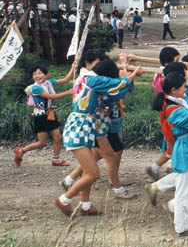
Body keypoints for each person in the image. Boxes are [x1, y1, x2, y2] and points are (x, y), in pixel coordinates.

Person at [55, 61, 141, 217]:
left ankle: (85, 204)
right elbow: (117, 86)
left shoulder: (91, 81)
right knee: (93, 173)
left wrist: (128, 75)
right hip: (80, 130)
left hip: (89, 130)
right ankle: (64, 199)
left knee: (90, 170)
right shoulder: (93, 81)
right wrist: (132, 75)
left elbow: (117, 92)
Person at [144, 71, 188, 237]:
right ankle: (182, 227)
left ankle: (175, 206)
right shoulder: (173, 111)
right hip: (186, 150)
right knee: (184, 191)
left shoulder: (179, 102)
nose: (186, 88)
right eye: (183, 86)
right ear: (174, 90)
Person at [14, 63, 77, 167]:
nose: (37, 76)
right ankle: (21, 151)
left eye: (40, 73)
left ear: (45, 75)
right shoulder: (35, 88)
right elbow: (51, 96)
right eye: (35, 74)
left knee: (57, 137)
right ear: (32, 76)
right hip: (40, 116)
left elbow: (66, 79)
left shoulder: (48, 83)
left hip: (50, 113)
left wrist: (73, 68)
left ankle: (56, 159)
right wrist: (68, 92)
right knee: (42, 142)